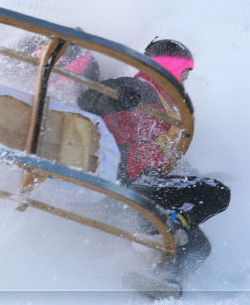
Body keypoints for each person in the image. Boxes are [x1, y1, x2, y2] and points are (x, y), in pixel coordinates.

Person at [77, 38, 230, 295]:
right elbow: (89, 99)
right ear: (171, 68)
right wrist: (116, 99)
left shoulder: (170, 107)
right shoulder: (141, 86)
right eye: (184, 73)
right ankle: (173, 224)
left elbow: (162, 158)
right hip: (127, 182)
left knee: (199, 246)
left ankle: (164, 279)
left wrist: (196, 177)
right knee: (216, 192)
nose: (184, 80)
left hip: (147, 186)